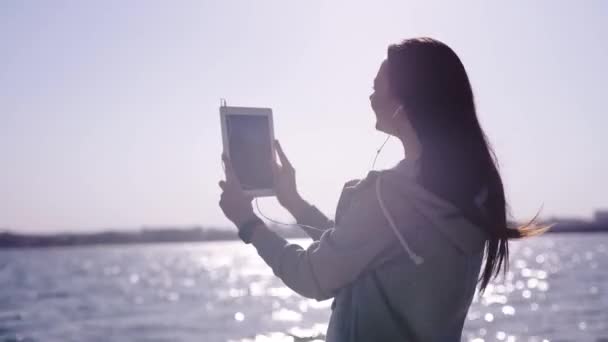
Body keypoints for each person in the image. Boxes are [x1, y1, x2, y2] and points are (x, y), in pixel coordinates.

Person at [218, 37, 549, 341]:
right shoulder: (472, 193)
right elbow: (360, 249)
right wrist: (293, 202)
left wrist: (247, 222)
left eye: (378, 87)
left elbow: (313, 275)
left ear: (405, 102)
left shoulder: (390, 196)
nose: (371, 96)